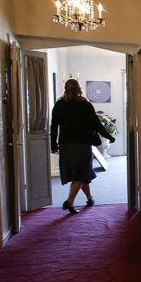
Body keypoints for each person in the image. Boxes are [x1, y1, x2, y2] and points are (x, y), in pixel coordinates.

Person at [50, 79, 115, 214]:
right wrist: (109, 137)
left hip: (65, 144)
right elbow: (97, 124)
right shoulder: (85, 105)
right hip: (82, 144)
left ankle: (90, 198)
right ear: (79, 89)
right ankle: (69, 201)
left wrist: (53, 144)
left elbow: (54, 126)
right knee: (81, 173)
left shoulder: (59, 104)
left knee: (82, 172)